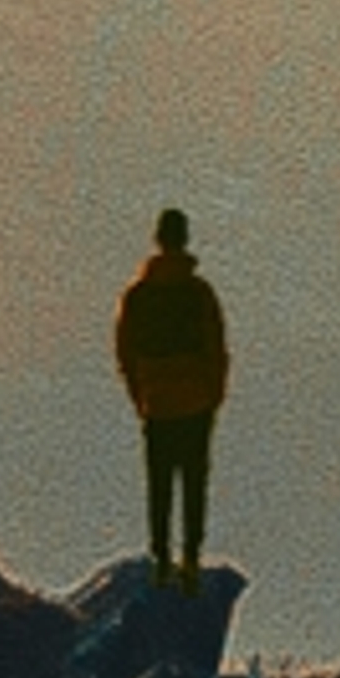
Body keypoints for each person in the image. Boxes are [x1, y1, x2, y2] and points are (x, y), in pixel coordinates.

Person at [114, 203, 229, 587]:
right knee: (194, 480)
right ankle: (191, 559)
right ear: (185, 239)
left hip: (156, 400)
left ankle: (161, 559)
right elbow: (216, 347)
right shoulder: (199, 292)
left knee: (159, 481)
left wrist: (140, 394)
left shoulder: (138, 294)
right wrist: (214, 394)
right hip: (196, 398)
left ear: (158, 239)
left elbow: (125, 349)